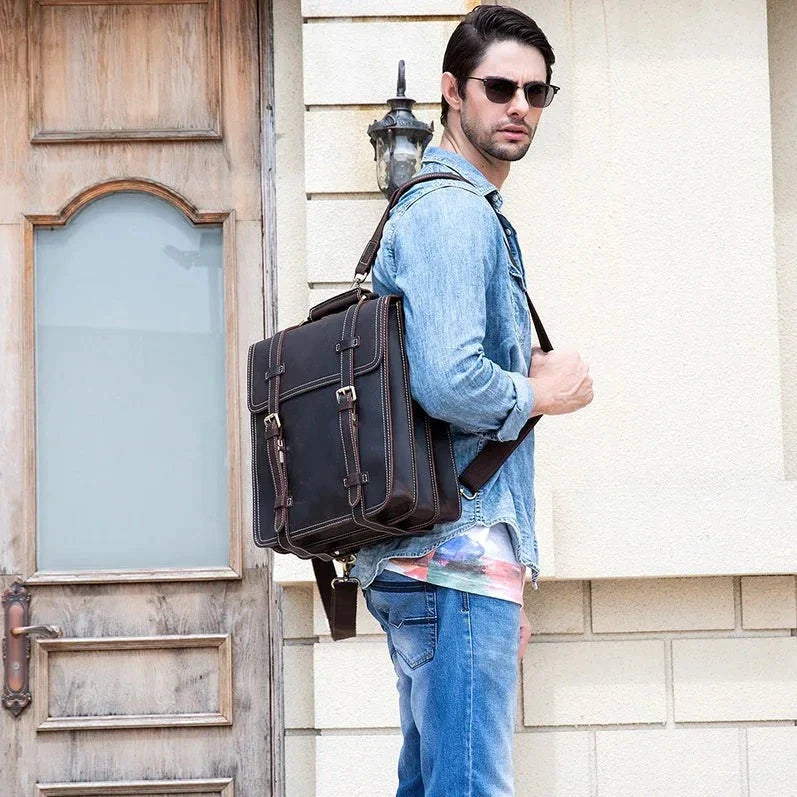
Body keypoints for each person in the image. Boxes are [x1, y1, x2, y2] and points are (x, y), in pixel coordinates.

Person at [349, 6, 593, 795]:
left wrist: (509, 574)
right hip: (449, 564)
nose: (518, 105)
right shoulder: (454, 213)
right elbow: (449, 381)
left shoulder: (453, 208)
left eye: (535, 92)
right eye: (498, 87)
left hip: (450, 564)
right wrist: (540, 390)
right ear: (451, 92)